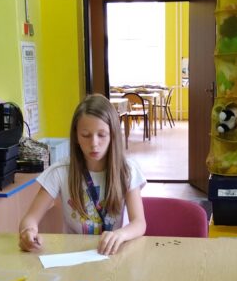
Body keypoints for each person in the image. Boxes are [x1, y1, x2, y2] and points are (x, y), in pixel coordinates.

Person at [18, 94, 146, 255]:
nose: (94, 143)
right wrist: (28, 232)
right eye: (86, 135)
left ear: (113, 135)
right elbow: (30, 219)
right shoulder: (60, 171)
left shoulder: (127, 171)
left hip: (113, 254)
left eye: (102, 135)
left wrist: (120, 235)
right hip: (74, 255)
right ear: (76, 136)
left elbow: (139, 223)